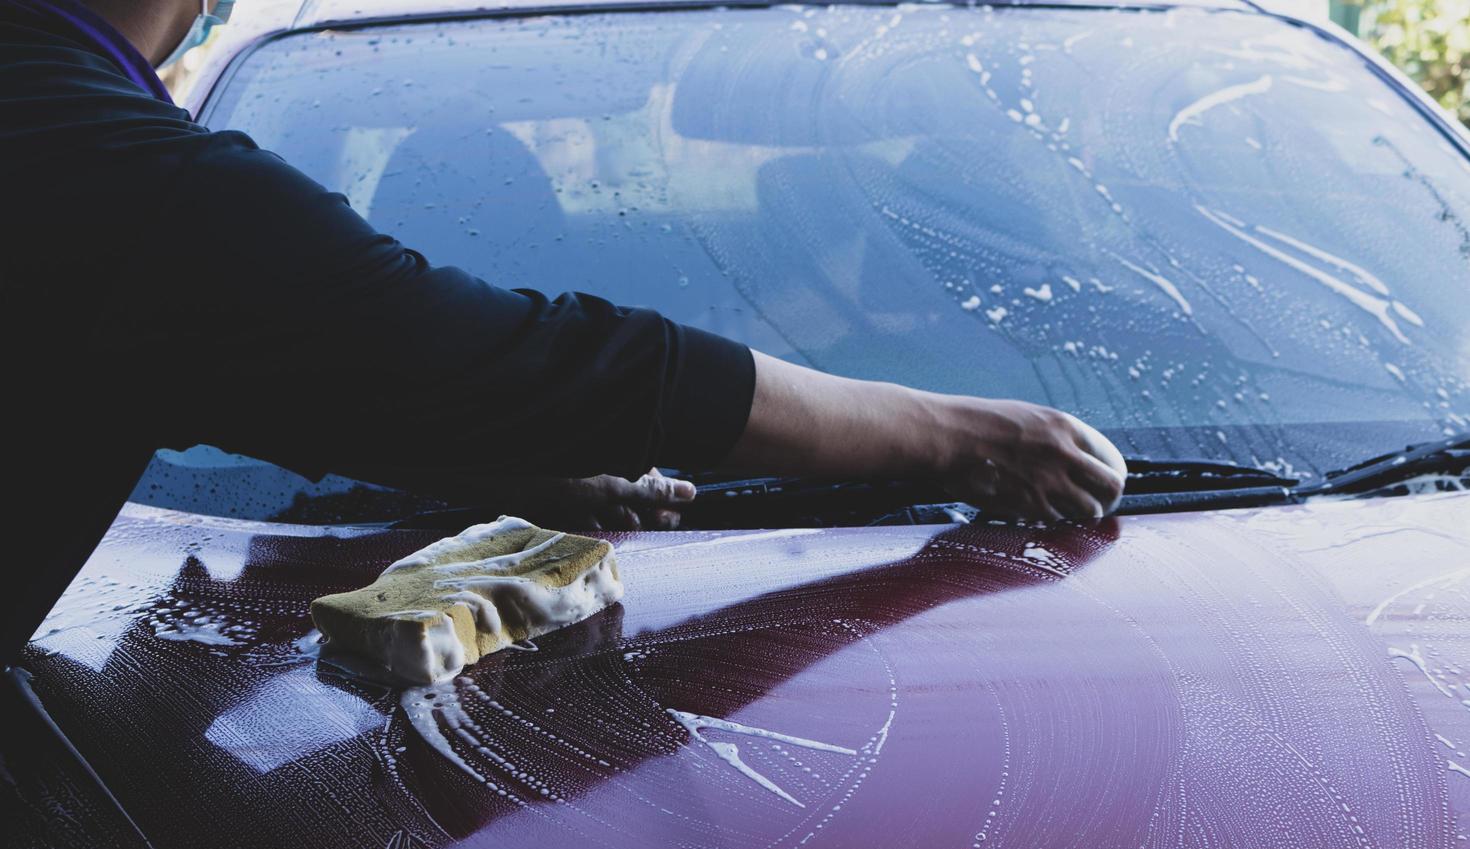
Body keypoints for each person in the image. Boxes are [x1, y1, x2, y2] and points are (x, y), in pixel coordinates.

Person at [0, 0, 1128, 665]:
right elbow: (485, 354)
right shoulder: (120, 171)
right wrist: (960, 438)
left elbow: (268, 375)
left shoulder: (59, 127)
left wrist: (481, 459)